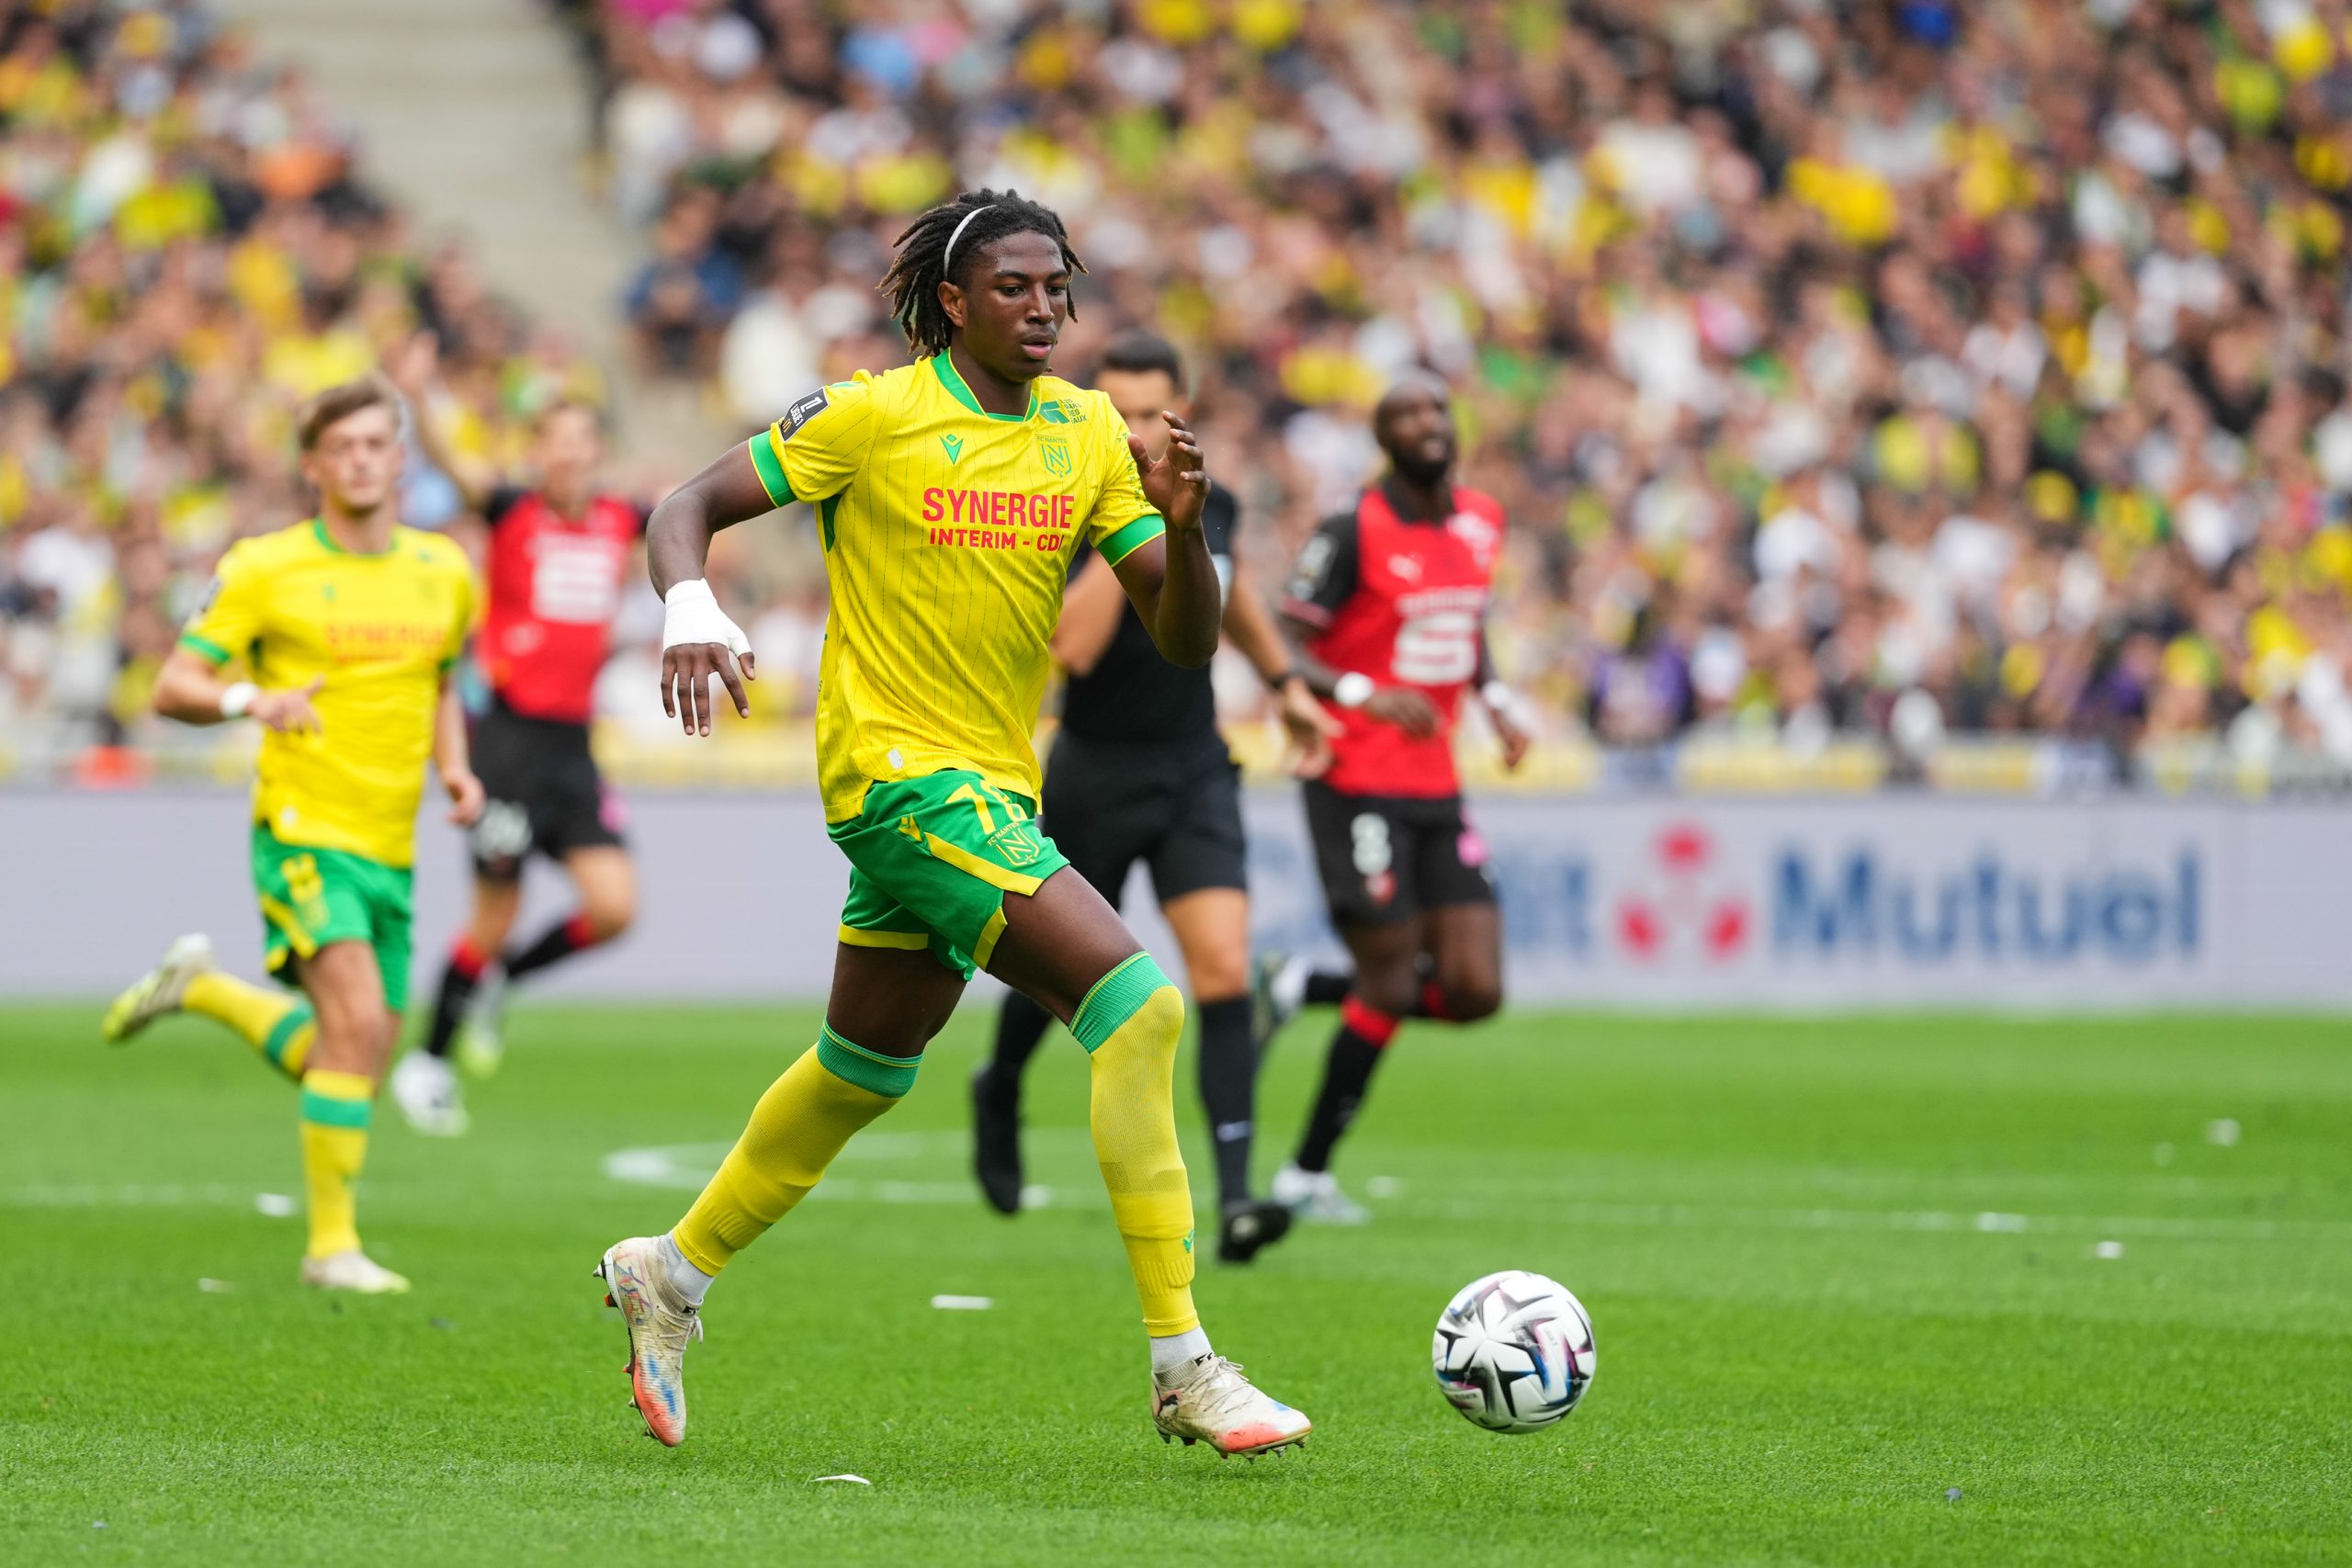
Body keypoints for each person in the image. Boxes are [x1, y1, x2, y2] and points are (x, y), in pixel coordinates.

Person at [593, 188, 1311, 1457]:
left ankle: (672, 1268)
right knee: (1140, 1006)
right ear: (954, 302)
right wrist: (690, 605)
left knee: (862, 1067)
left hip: (990, 786)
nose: (1046, 309)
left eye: (1058, 288)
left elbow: (1183, 638)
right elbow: (680, 507)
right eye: (1019, 289)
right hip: (899, 781)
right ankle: (1184, 1363)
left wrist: (1190, 535)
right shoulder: (871, 413)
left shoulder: (1087, 433)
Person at [101, 375, 485, 1293]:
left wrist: (456, 769)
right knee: (354, 1026)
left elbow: (437, 683)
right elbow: (173, 686)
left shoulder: (444, 572)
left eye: (375, 444)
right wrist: (252, 698)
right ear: (312, 465)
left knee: (351, 1048)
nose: (360, 460)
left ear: (400, 459)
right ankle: (331, 1249)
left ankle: (200, 990)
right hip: (304, 827)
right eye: (340, 447)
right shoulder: (263, 567)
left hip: (392, 843)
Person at [969, 329, 1336, 1263]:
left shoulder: (1209, 500)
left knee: (1218, 970)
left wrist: (1287, 684)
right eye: (1117, 412)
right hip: (1094, 769)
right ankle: (999, 1084)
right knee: (1059, 972)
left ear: (1183, 409)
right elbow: (1071, 648)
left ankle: (1240, 1198)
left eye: (1149, 412)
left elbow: (1231, 595)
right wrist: (1118, 512)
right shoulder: (1062, 496)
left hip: (1190, 766)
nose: (1134, 430)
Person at [1256, 375, 1532, 1223]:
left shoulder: (1481, 518)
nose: (1426, 424)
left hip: (1435, 785)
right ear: (1384, 439)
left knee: (1475, 987)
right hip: (1354, 778)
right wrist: (1357, 688)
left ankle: (1304, 985)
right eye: (1405, 415)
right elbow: (1281, 635)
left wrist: (1492, 697)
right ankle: (1304, 1174)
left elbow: (1463, 615)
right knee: (1390, 979)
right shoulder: (1352, 528)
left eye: (1436, 409)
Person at [383, 338, 643, 1135]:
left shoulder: (619, 520)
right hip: (505, 741)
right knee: (493, 913)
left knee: (614, 907)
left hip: (572, 746)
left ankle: (504, 983)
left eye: (582, 445)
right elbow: (452, 458)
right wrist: (422, 396)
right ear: (537, 453)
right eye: (556, 444)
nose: (569, 457)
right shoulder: (512, 511)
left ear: (598, 454)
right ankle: (427, 1062)